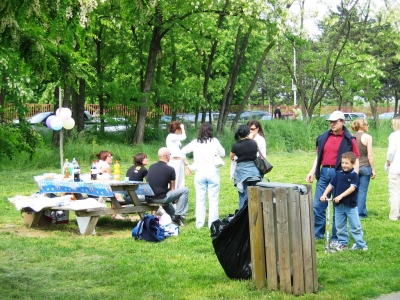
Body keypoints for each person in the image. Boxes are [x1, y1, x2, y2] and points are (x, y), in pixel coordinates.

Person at [306, 111, 360, 244]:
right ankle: (318, 234)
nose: (332, 124)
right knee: (318, 205)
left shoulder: (349, 139)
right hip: (324, 172)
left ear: (343, 122)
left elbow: (356, 158)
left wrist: (355, 176)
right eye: (330, 121)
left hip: (341, 174)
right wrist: (312, 171)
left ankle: (337, 237)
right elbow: (318, 157)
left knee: (338, 206)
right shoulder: (323, 137)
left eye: (335, 122)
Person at [320, 151, 368, 251]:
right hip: (338, 206)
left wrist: (340, 196)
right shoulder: (338, 174)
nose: (344, 165)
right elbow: (331, 185)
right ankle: (343, 243)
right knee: (339, 226)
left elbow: (352, 188)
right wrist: (324, 194)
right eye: (342, 163)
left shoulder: (354, 176)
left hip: (350, 206)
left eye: (347, 163)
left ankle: (360, 244)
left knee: (355, 226)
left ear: (353, 163)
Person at [181, 123, 225, 229]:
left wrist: (188, 165)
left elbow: (182, 152)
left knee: (200, 198)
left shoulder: (195, 142)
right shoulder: (214, 141)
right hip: (213, 172)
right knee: (213, 198)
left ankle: (199, 224)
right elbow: (223, 153)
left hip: (199, 172)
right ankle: (213, 223)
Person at [145, 147, 189, 226]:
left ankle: (175, 218)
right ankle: (178, 215)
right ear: (167, 156)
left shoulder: (151, 167)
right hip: (160, 198)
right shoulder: (170, 169)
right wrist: (174, 198)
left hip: (149, 198)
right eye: (170, 155)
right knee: (185, 190)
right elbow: (172, 189)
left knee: (166, 199)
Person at [230, 125, 262, 209]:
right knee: (255, 196)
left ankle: (242, 217)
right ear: (248, 133)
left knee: (243, 196)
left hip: (242, 173)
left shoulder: (235, 145)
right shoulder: (254, 143)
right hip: (254, 172)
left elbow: (232, 157)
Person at [351, 118, 376, 218]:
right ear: (363, 125)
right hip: (365, 166)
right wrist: (373, 169)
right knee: (363, 191)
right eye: (367, 124)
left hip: (354, 167)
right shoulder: (367, 137)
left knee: (355, 190)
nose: (368, 126)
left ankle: (356, 210)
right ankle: (360, 213)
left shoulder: (351, 137)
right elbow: (370, 155)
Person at [95, 150, 126, 220]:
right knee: (114, 189)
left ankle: (116, 213)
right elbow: (111, 179)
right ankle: (120, 204)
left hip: (97, 188)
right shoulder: (106, 166)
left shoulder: (97, 164)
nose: (112, 157)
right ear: (104, 157)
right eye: (110, 156)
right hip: (101, 190)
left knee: (113, 191)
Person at [166, 121, 190, 189]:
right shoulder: (170, 136)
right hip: (173, 161)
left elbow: (180, 151)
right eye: (180, 130)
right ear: (177, 130)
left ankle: (179, 194)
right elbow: (184, 137)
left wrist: (186, 164)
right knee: (174, 179)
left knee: (181, 179)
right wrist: (183, 128)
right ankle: (173, 194)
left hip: (179, 160)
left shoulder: (176, 139)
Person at [386, 116, 400, 221]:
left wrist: (388, 162)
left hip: (395, 167)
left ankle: (394, 215)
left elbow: (391, 152)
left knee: (395, 191)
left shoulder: (394, 135)